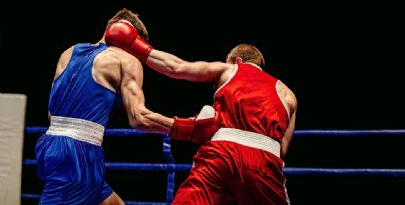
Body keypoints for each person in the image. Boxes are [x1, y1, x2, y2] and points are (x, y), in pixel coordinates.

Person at [35, 8, 220, 205]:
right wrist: (189, 129)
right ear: (134, 40)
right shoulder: (127, 60)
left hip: (48, 146)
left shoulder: (69, 52)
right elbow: (138, 117)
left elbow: (51, 114)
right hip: (79, 154)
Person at [105, 21, 297, 204]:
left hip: (222, 155)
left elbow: (176, 67)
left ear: (236, 60)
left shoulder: (230, 69)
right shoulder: (288, 94)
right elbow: (282, 149)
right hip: (264, 163)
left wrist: (134, 45)